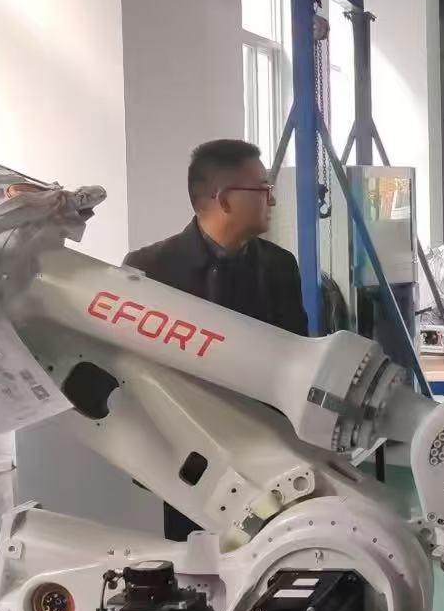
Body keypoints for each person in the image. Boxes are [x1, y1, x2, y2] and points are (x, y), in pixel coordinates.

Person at [124, 139, 308, 541]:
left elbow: (297, 358)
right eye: (262, 189)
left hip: (265, 458)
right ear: (223, 199)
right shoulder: (149, 271)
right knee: (194, 562)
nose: (272, 200)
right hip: (185, 463)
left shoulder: (278, 267)